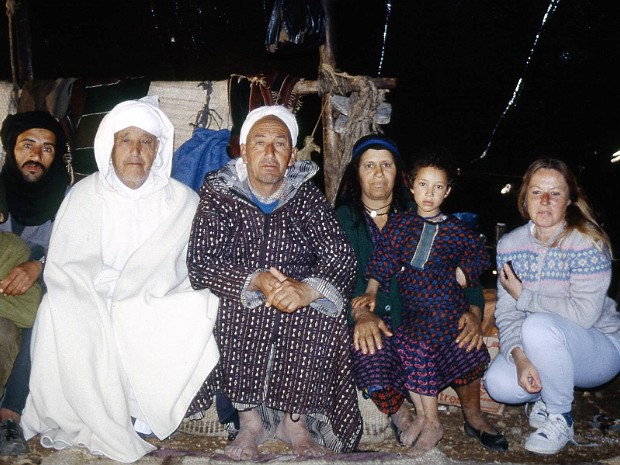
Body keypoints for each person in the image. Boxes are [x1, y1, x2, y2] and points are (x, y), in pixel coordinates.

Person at [20, 98, 220, 462]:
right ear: (110, 146)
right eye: (126, 140)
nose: (135, 151)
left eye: (146, 141)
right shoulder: (84, 194)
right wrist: (100, 290)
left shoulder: (183, 201)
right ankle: (90, 413)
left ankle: (139, 411)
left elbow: (191, 268)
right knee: (57, 308)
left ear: (158, 149)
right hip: (90, 293)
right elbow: (65, 267)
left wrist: (138, 288)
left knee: (196, 307)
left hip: (157, 295)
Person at [186, 105, 361, 460]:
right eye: (259, 142)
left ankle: (294, 424)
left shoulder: (307, 197)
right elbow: (201, 262)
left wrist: (306, 289)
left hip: (296, 289)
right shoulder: (220, 192)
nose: (269, 153)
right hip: (243, 292)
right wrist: (254, 280)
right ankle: (250, 423)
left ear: (292, 155)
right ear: (243, 151)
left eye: (279, 144)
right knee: (232, 309)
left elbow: (341, 255)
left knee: (319, 313)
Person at [335, 137, 508, 453]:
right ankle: (403, 415)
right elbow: (332, 278)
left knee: (463, 339)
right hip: (372, 320)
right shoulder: (343, 220)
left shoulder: (419, 211)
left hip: (427, 313)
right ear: (356, 172)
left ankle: (473, 416)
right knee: (370, 350)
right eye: (369, 165)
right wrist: (358, 311)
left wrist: (473, 311)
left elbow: (464, 262)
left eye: (386, 165)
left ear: (400, 174)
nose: (378, 173)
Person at [484, 158, 620, 455]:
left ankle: (560, 416)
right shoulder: (509, 245)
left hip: (598, 349)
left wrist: (525, 296)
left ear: (569, 199)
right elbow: (507, 312)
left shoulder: (587, 242)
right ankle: (545, 396)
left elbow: (584, 315)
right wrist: (520, 357)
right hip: (542, 343)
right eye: (536, 192)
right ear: (525, 197)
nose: (544, 200)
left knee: (537, 324)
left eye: (555, 193)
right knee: (498, 384)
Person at [0, 111, 69, 455]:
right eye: (27, 145)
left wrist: (38, 266)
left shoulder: (69, 199)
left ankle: (9, 418)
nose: (36, 156)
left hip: (35, 297)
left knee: (45, 315)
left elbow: (76, 252)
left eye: (47, 148)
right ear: (11, 149)